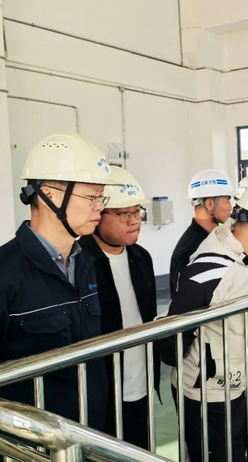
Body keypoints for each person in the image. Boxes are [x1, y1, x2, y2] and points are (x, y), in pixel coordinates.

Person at [0, 132, 118, 432]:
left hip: (87, 434)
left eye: (102, 197)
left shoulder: (85, 263)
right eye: (91, 197)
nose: (100, 207)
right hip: (31, 443)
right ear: (50, 196)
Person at [158, 176, 248, 462]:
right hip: (206, 394)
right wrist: (206, 367)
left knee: (237, 451)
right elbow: (171, 341)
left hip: (239, 383)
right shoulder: (209, 271)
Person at [79, 166, 159, 449]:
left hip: (141, 380)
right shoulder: (80, 263)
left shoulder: (141, 258)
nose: (134, 220)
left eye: (137, 212)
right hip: (101, 390)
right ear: (99, 214)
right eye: (123, 213)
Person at [169, 169, 235, 297]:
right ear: (210, 204)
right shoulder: (191, 249)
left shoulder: (212, 238)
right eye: (227, 200)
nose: (231, 207)